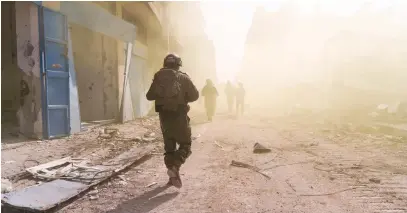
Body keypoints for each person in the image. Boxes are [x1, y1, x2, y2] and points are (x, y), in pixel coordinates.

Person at [146, 53, 199, 188]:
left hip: (164, 118)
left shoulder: (158, 76)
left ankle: (172, 174)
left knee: (169, 149)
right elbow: (195, 96)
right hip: (180, 116)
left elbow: (149, 96)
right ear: (178, 64)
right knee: (185, 145)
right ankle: (175, 167)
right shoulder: (183, 77)